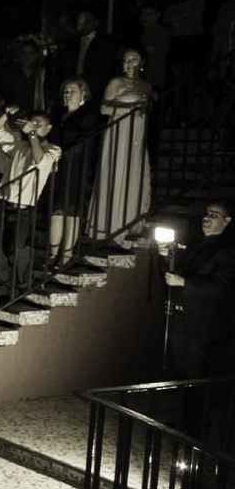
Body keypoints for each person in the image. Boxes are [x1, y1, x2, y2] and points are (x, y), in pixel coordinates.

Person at [0, 112, 62, 292]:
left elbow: (40, 161)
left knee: (19, 248)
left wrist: (32, 135)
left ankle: (22, 284)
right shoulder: (19, 144)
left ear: (48, 128)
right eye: (31, 123)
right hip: (2, 200)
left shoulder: (53, 149)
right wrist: (6, 114)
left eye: (38, 124)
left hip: (24, 206)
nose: (33, 126)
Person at [162, 201, 235, 379]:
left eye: (213, 215)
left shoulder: (228, 251)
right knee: (179, 368)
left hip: (202, 324)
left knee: (196, 371)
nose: (206, 218)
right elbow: (174, 273)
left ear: (226, 221)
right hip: (180, 318)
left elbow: (220, 286)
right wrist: (167, 257)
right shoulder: (194, 246)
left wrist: (184, 282)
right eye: (206, 214)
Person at [90, 48, 155, 244]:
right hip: (120, 130)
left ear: (142, 62)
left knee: (135, 173)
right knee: (117, 170)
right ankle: (110, 226)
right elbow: (104, 108)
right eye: (126, 60)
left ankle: (131, 222)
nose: (129, 63)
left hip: (138, 132)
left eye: (133, 59)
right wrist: (129, 108)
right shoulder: (116, 82)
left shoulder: (146, 85)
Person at [48, 78, 101, 267]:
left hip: (76, 165)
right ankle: (53, 254)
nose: (68, 94)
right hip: (58, 166)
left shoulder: (88, 115)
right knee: (56, 208)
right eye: (65, 91)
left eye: (72, 91)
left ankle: (67, 254)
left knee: (72, 209)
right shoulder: (57, 116)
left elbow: (83, 139)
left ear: (83, 95)